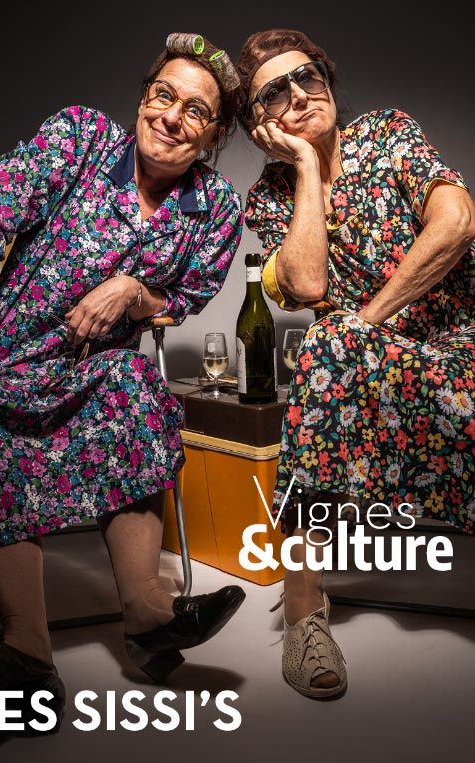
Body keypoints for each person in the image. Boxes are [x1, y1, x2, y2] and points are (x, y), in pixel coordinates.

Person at [0, 33, 245, 731]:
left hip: (91, 379)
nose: (171, 117)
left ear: (214, 134)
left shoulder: (216, 208)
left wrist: (134, 288)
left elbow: (182, 300)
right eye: (163, 95)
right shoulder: (81, 138)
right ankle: (28, 652)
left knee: (132, 378)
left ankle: (148, 615)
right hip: (0, 366)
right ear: (144, 96)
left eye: (195, 111)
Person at [236, 28, 475, 699]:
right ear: (259, 126)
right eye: (274, 93)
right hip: (364, 369)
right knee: (329, 340)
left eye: (307, 76)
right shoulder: (269, 198)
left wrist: (370, 318)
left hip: (459, 344)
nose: (299, 95)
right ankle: (304, 607)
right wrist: (305, 168)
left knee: (338, 336)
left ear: (328, 79)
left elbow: (456, 221)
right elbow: (308, 284)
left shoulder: (388, 134)